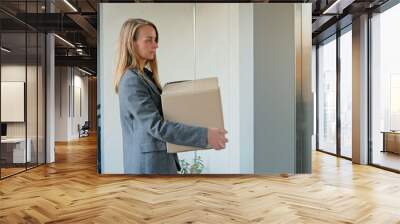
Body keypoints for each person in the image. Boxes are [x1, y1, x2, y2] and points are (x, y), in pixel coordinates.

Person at [114, 18, 228, 174]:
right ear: (132, 44)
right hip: (149, 167)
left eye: (155, 40)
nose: (156, 45)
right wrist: (204, 135)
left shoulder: (145, 76)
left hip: (158, 163)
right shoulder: (131, 81)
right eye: (149, 40)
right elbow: (156, 126)